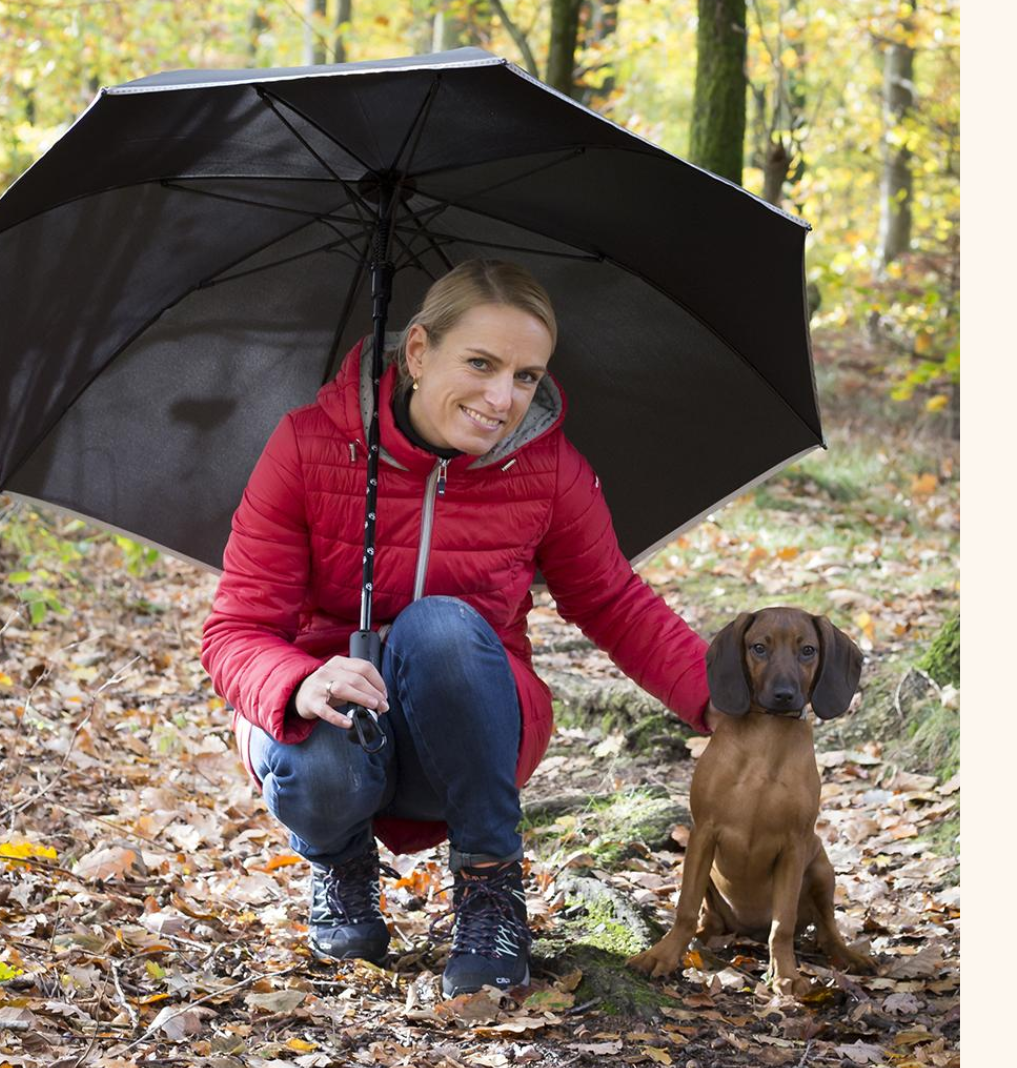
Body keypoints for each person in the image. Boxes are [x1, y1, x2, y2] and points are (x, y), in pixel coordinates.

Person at [200, 259, 716, 997]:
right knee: (312, 747)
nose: (502, 398)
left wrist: (722, 704)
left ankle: (491, 893)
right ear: (416, 352)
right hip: (336, 732)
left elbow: (612, 599)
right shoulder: (309, 446)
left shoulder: (548, 470)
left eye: (527, 376)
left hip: (473, 714)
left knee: (439, 626)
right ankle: (342, 865)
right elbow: (234, 631)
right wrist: (301, 678)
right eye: (480, 363)